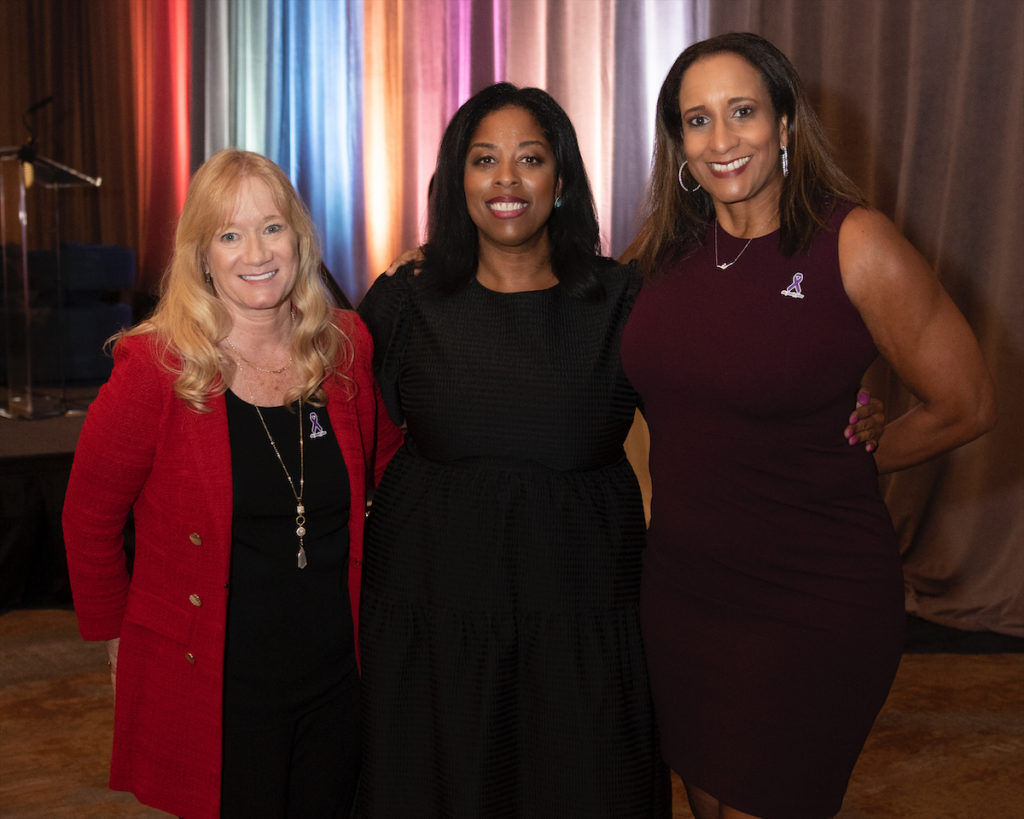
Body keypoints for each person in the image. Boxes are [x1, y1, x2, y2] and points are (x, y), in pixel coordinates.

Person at [620, 33, 995, 819]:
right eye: (697, 120)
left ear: (786, 123)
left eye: (744, 112)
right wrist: (437, 261)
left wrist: (863, 447)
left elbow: (967, 400)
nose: (721, 140)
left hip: (812, 598)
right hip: (684, 595)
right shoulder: (656, 259)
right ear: (677, 143)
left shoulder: (853, 242)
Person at [356, 82, 673, 817]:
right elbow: (333, 420)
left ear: (560, 180)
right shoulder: (406, 299)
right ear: (455, 180)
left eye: (529, 158)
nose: (506, 179)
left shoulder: (622, 301)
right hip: (435, 608)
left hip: (582, 604)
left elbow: (709, 416)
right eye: (483, 159)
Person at [62, 149, 402, 819]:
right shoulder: (156, 365)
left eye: (272, 227)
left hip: (338, 674)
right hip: (217, 682)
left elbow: (388, 468)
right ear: (202, 255)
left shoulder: (345, 346)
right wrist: (119, 640)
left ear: (299, 239)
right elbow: (88, 517)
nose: (256, 251)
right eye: (229, 233)